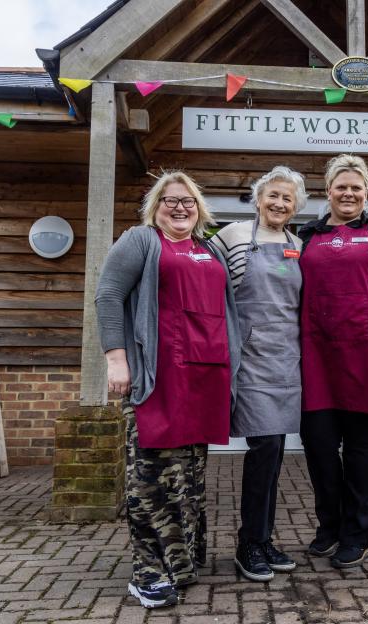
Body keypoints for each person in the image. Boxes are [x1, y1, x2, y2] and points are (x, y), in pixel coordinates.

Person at [95, 171, 240, 608]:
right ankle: (148, 572)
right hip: (157, 378)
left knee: (189, 479)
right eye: (170, 200)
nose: (180, 208)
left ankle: (181, 562)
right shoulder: (141, 240)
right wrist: (116, 360)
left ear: (200, 209)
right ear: (155, 205)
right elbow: (107, 296)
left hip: (203, 378)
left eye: (189, 202)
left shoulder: (208, 247)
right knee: (151, 479)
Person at [296, 154, 368, 569]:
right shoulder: (306, 234)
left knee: (360, 449)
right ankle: (329, 527)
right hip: (318, 357)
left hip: (367, 355)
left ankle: (358, 534)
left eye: (356, 186)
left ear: (367, 191)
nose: (349, 193)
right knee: (320, 446)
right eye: (341, 186)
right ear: (328, 190)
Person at [212, 166, 307, 582]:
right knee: (264, 446)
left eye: (287, 198)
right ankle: (248, 542)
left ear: (296, 206)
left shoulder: (297, 245)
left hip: (286, 358)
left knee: (275, 451)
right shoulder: (232, 236)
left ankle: (263, 538)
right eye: (273, 195)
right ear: (257, 198)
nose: (279, 204)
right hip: (248, 357)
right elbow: (198, 276)